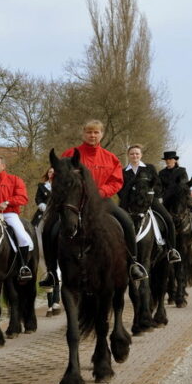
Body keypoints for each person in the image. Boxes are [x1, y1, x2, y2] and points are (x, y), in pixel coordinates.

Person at [40, 119, 148, 288]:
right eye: (89, 132)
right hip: (73, 202)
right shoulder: (69, 154)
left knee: (126, 221)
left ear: (101, 135)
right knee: (49, 228)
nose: (92, 135)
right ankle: (51, 272)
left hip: (101, 201)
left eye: (96, 132)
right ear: (83, 134)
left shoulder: (110, 158)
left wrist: (100, 192)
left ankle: (133, 264)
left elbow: (117, 181)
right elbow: (59, 176)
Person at [118, 144, 181, 263]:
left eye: (137, 153)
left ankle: (172, 250)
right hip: (130, 204)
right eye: (132, 154)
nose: (134, 155)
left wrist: (151, 197)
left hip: (150, 201)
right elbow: (121, 190)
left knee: (168, 219)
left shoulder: (149, 168)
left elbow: (157, 185)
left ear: (141, 155)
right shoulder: (123, 172)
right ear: (128, 155)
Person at [0, 156, 34, 281]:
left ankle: (23, 267)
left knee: (23, 237)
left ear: (3, 166)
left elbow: (23, 198)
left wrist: (8, 202)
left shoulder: (15, 180)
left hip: (9, 214)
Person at [31, 167, 61, 315]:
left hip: (57, 215)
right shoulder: (41, 186)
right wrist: (42, 205)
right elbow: (37, 199)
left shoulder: (61, 185)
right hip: (43, 214)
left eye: (53, 172)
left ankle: (57, 300)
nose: (51, 174)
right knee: (31, 230)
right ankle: (51, 303)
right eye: (49, 172)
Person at [158, 150, 192, 224]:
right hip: (166, 198)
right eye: (166, 160)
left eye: (170, 159)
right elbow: (159, 186)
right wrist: (160, 196)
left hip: (180, 197)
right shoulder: (161, 173)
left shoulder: (182, 171)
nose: (168, 161)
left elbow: (184, 184)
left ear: (175, 160)